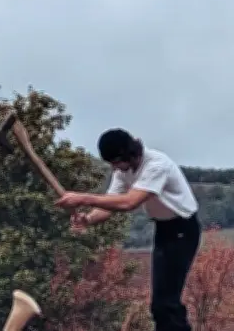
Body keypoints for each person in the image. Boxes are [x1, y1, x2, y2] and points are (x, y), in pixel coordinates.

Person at [54, 128, 200, 331]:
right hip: (165, 230)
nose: (114, 169)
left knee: (166, 303)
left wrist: (83, 198)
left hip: (183, 230)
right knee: (160, 304)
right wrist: (88, 219)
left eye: (115, 163)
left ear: (129, 154)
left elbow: (129, 203)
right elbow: (110, 204)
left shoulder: (157, 165)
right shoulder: (124, 170)